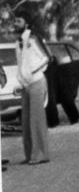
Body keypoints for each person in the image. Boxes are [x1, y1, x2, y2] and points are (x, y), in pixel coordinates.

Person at [14, 8, 50, 164]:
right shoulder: (18, 41)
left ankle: (41, 155)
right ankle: (29, 155)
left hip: (37, 82)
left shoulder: (34, 38)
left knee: (36, 121)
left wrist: (31, 72)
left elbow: (46, 57)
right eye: (15, 21)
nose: (15, 24)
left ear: (26, 23)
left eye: (18, 21)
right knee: (26, 121)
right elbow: (20, 64)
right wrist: (20, 82)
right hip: (26, 85)